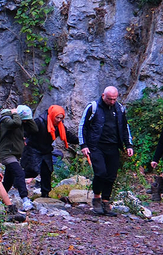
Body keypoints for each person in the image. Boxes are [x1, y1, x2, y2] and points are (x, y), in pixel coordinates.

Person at [77, 86, 134, 216]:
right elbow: (82, 126)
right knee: (101, 173)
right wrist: (83, 145)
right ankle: (96, 198)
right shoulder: (93, 107)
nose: (112, 101)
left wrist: (129, 145)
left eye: (114, 99)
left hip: (113, 146)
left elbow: (125, 127)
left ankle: (106, 201)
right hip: (96, 146)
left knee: (111, 175)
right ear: (103, 95)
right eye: (110, 99)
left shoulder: (120, 109)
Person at [23, 105, 76, 198]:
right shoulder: (39, 122)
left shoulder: (59, 126)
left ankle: (45, 194)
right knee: (31, 171)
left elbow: (69, 137)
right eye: (57, 117)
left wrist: (83, 141)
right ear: (52, 115)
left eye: (61, 118)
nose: (59, 120)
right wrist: (23, 140)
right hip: (33, 149)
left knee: (47, 171)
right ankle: (14, 178)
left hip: (46, 150)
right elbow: (26, 131)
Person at [0, 105, 38, 202]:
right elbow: (16, 123)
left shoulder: (21, 121)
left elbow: (34, 129)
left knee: (8, 180)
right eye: (24, 120)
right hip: (7, 153)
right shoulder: (6, 119)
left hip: (15, 154)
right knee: (19, 173)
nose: (25, 122)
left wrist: (28, 117)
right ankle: (25, 199)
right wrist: (15, 113)